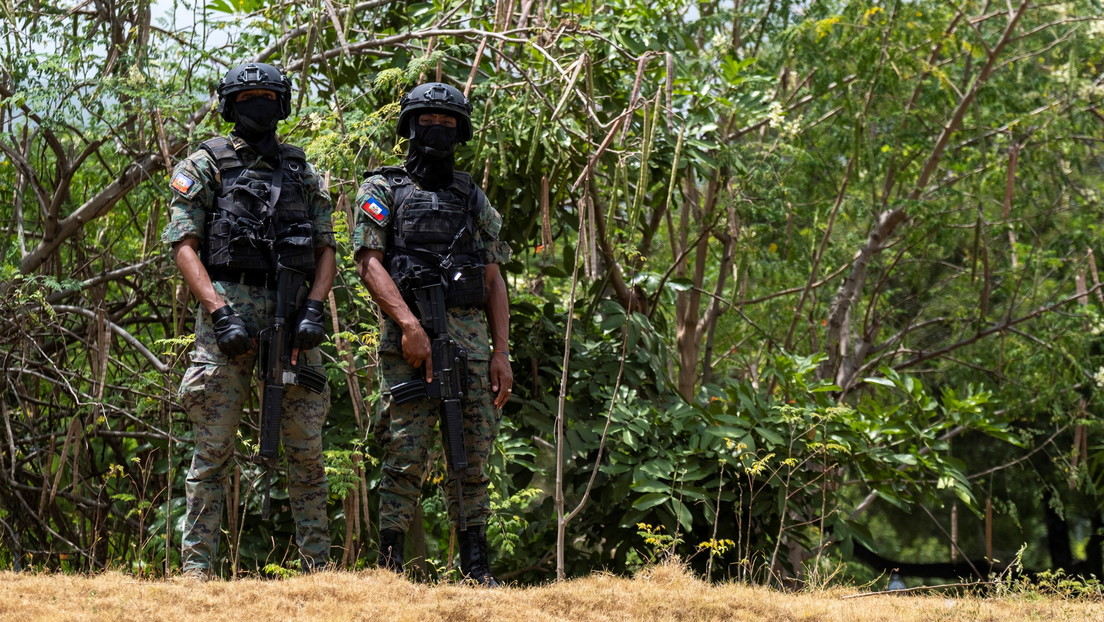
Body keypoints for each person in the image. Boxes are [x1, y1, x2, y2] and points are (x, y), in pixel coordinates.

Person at [164, 61, 337, 579]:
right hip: (229, 318)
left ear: (282, 105)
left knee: (306, 450)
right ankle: (197, 572)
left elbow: (327, 248)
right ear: (229, 107)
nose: (258, 107)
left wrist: (314, 307)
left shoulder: (302, 170)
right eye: (247, 99)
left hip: (293, 322)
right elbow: (184, 246)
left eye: (267, 97)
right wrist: (219, 313)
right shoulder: (205, 164)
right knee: (212, 450)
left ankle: (318, 571)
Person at [352, 82, 513, 586]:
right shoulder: (382, 188)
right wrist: (408, 326)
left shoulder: (470, 195)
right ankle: (390, 570)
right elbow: (369, 263)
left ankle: (477, 570)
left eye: (448, 123)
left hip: (470, 342)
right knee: (405, 453)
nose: (438, 130)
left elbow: (492, 276)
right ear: (410, 127)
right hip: (411, 344)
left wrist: (501, 352)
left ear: (461, 131)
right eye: (429, 121)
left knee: (472, 456)